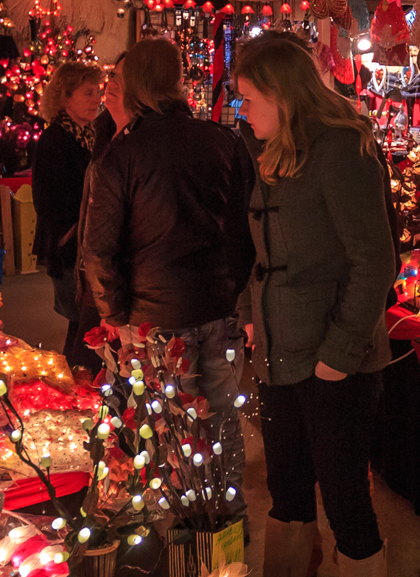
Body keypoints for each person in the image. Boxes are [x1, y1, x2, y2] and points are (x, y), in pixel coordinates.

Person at [233, 35, 397, 577]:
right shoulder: (275, 151)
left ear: (282, 95)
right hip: (279, 353)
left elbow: (374, 261)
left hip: (332, 361)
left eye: (249, 99)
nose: (242, 111)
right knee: (286, 488)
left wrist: (340, 352)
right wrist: (251, 313)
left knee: (346, 498)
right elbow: (264, 255)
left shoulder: (342, 150)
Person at [78, 37, 256, 509]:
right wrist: (231, 289)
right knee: (220, 423)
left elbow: (98, 249)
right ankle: (224, 520)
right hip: (216, 306)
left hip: (153, 318)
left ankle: (183, 533)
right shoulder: (223, 140)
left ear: (134, 85)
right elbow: (242, 234)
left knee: (170, 433)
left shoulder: (125, 153)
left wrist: (113, 315)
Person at [31, 62, 105, 371]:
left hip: (87, 244)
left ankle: (76, 381)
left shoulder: (92, 134)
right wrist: (71, 231)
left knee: (85, 323)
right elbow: (46, 202)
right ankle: (73, 381)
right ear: (65, 97)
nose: (96, 99)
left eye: (98, 92)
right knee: (80, 323)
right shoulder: (54, 140)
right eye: (88, 93)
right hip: (68, 247)